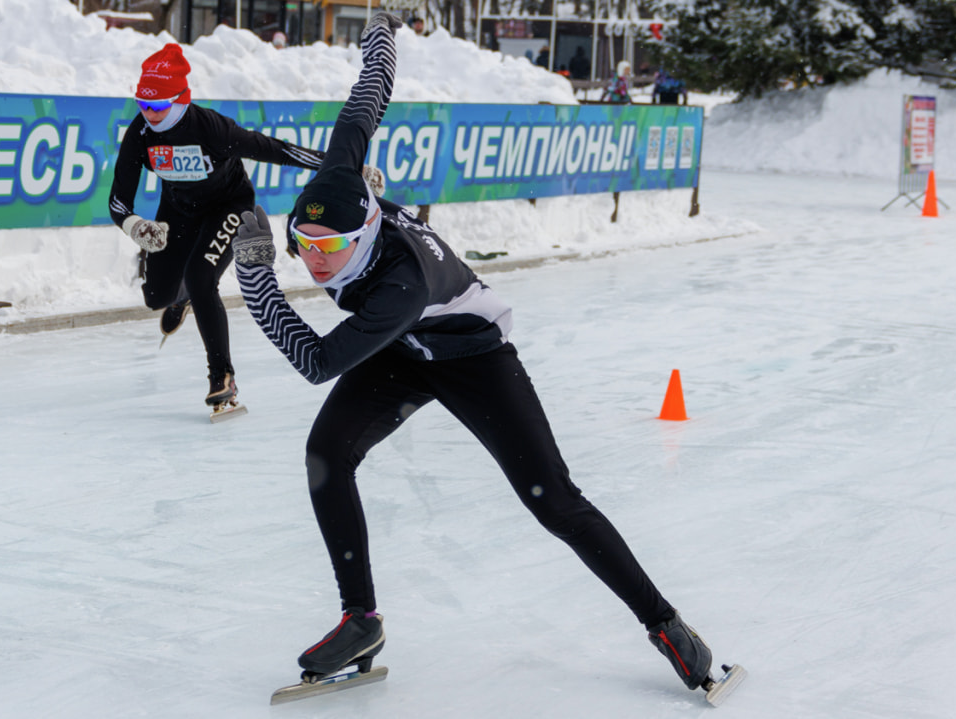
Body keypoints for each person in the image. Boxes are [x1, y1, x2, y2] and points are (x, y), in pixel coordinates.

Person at [232, 11, 727, 698]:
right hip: (404, 348)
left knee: (554, 500)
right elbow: (367, 95)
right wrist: (382, 32)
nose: (316, 262)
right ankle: (361, 619)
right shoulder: (342, 179)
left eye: (331, 249)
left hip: (471, 354)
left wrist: (258, 283)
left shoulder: (399, 284)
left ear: (368, 229)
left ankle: (667, 622)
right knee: (327, 454)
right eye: (303, 246)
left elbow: (317, 362)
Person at [108, 43, 326, 412]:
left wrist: (342, 166)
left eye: (158, 107)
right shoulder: (141, 133)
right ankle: (181, 297)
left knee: (200, 276)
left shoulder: (211, 128)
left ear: (180, 100)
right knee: (156, 298)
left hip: (228, 205)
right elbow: (118, 201)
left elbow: (276, 149)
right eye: (143, 106)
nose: (150, 115)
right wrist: (136, 226)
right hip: (178, 210)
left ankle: (221, 376)